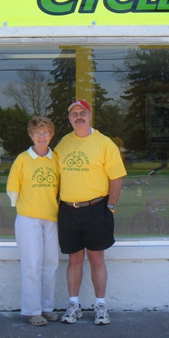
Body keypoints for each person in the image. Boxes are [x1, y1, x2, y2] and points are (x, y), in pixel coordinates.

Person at [55, 99, 126, 326]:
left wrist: (111, 207)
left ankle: (100, 305)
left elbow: (116, 177)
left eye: (82, 113)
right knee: (74, 259)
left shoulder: (104, 144)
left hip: (97, 209)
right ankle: (74, 304)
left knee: (97, 259)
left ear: (90, 115)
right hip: (68, 211)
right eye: (74, 113)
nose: (79, 117)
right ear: (69, 118)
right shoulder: (63, 144)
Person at [6, 116, 61, 327]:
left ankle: (47, 308)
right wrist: (18, 205)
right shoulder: (22, 159)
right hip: (28, 218)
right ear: (31, 135)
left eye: (45, 132)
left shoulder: (55, 158)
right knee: (31, 264)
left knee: (51, 264)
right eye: (37, 132)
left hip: (51, 217)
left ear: (51, 135)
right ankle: (32, 310)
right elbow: (13, 187)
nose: (42, 136)